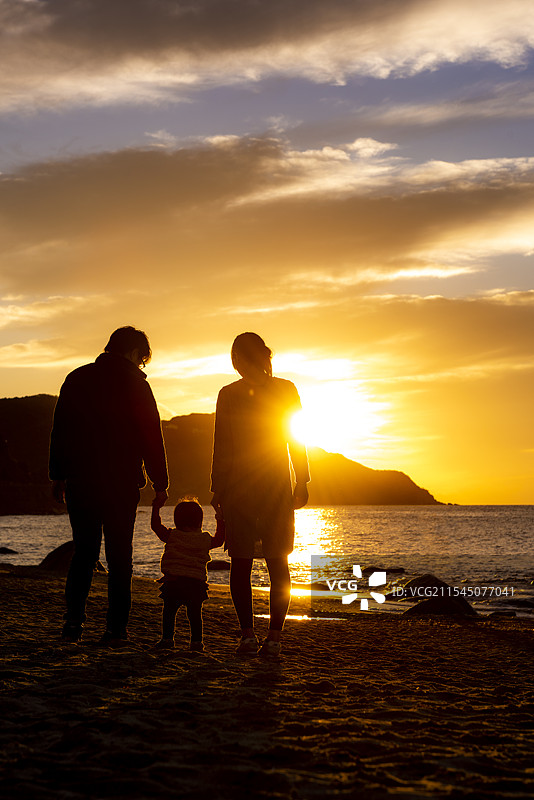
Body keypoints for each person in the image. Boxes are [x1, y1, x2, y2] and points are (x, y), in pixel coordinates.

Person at [49, 326, 168, 645]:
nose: (141, 366)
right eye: (142, 360)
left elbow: (60, 430)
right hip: (121, 483)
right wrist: (160, 482)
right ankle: (116, 630)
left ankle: (72, 624)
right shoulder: (137, 386)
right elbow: (151, 436)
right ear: (133, 353)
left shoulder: (76, 378)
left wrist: (58, 474)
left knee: (83, 553)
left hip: (80, 481)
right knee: (120, 557)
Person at [210, 332, 309, 658]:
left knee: (242, 562)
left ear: (240, 358)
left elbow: (223, 446)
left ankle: (249, 636)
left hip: (242, 488)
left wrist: (218, 488)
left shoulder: (231, 394)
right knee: (277, 562)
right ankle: (273, 638)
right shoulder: (285, 389)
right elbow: (295, 437)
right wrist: (302, 479)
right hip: (275, 486)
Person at [151, 497, 225, 651]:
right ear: (200, 521)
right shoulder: (204, 539)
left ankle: (167, 639)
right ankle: (196, 642)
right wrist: (220, 517)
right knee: (195, 614)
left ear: (177, 520)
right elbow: (219, 540)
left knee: (169, 612)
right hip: (195, 583)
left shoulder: (172, 535)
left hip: (173, 582)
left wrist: (156, 508)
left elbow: (156, 526)